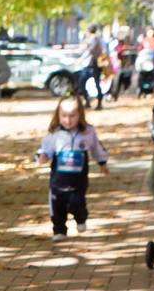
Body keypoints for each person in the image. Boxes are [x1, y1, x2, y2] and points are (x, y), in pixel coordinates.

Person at [35, 95, 109, 236]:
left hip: (78, 177)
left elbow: (96, 147)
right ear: (58, 115)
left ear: (80, 114)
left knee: (77, 202)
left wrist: (102, 162)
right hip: (59, 177)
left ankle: (80, 218)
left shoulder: (88, 132)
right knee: (57, 203)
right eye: (64, 116)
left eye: (72, 116)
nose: (68, 120)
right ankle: (59, 229)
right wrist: (42, 157)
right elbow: (45, 149)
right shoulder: (54, 134)